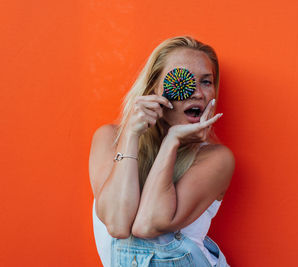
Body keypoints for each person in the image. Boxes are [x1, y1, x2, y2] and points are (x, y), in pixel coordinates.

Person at [89, 36, 235, 267]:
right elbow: (117, 224)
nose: (197, 92)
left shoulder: (216, 159)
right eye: (182, 80)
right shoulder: (110, 139)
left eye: (206, 82)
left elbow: (149, 225)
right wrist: (131, 135)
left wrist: (171, 142)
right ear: (153, 88)